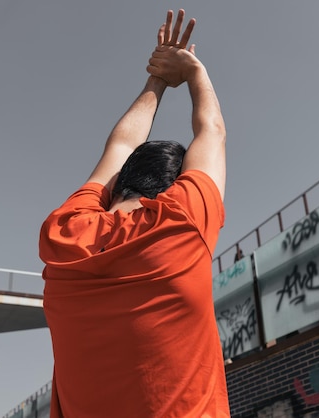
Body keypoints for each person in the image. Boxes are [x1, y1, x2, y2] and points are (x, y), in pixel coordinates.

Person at [39, 9, 229, 417]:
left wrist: (157, 79)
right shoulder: (181, 222)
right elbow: (210, 132)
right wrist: (194, 70)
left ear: (116, 186)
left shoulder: (65, 234)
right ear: (175, 184)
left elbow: (121, 147)